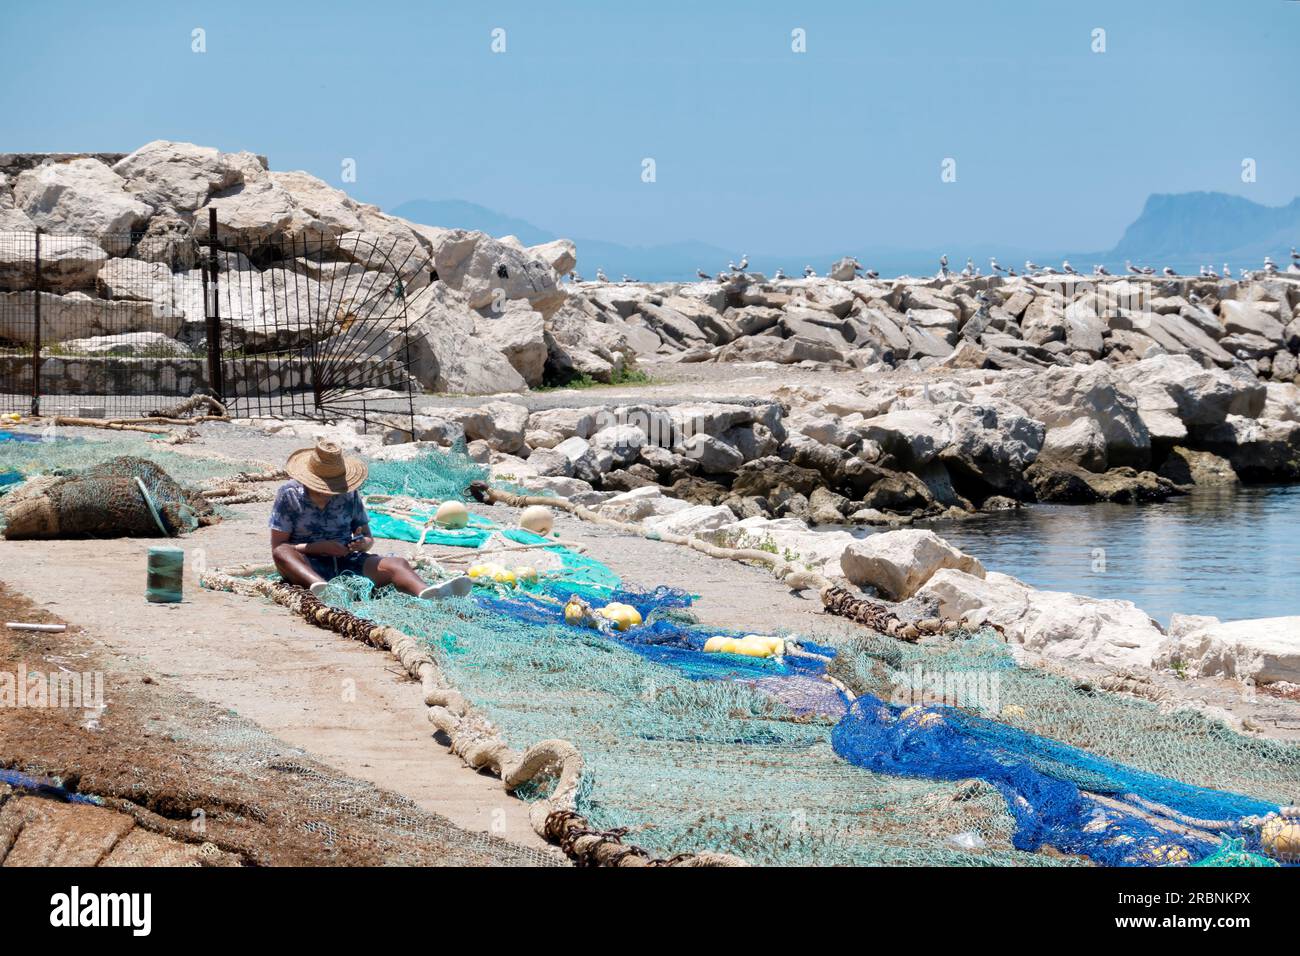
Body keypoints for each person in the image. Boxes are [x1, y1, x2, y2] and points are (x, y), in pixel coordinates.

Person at [269, 439, 470, 599]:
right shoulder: (289, 494)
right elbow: (279, 546)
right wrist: (318, 547)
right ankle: (323, 589)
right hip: (306, 562)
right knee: (283, 553)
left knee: (397, 563)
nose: (329, 492)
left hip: (346, 559)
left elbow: (367, 537)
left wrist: (362, 543)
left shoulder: (348, 493)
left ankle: (428, 593)